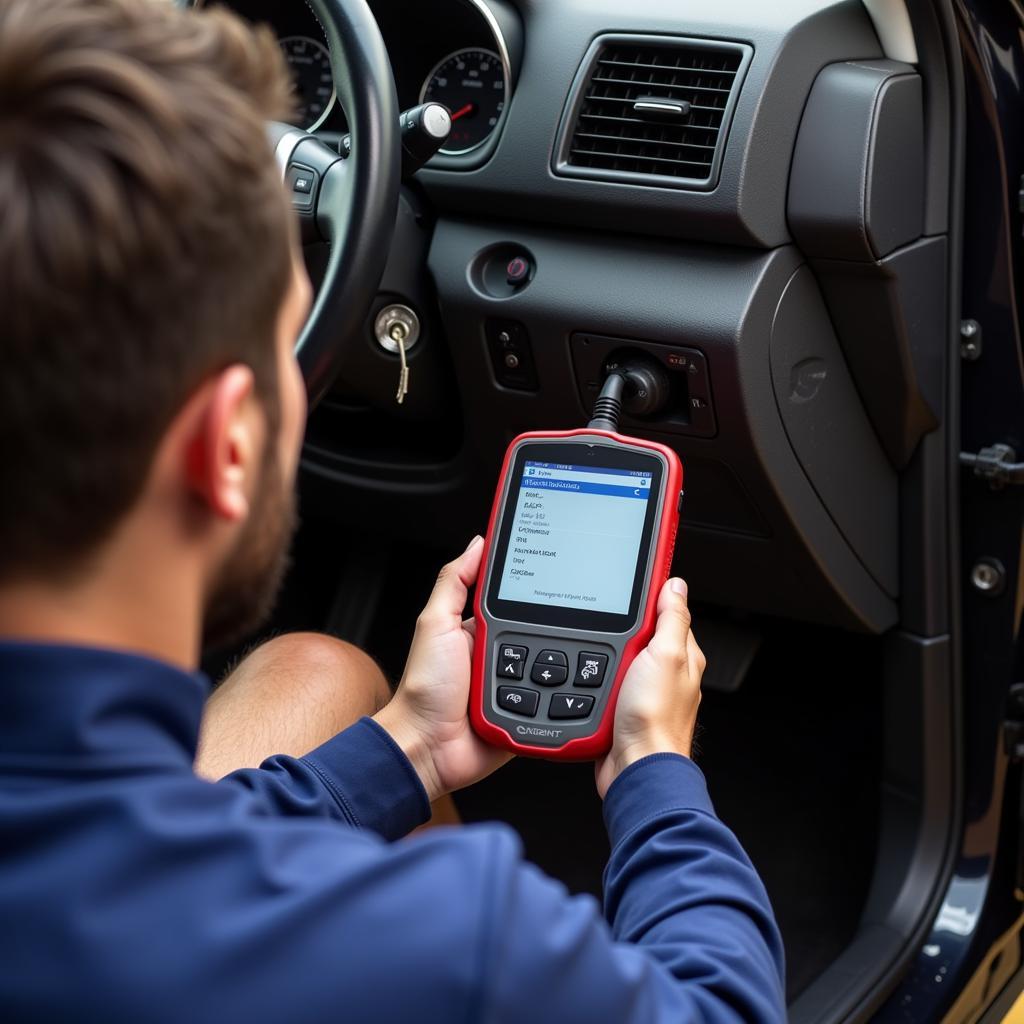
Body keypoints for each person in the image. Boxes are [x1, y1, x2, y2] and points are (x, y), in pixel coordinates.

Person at [0, 0, 785, 1021]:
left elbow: (116, 851)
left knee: (315, 672)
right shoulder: (453, 944)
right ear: (226, 444)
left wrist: (410, 745)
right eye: (293, 342)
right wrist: (653, 773)